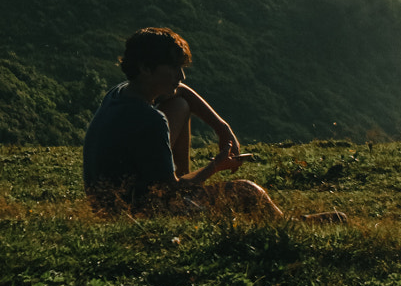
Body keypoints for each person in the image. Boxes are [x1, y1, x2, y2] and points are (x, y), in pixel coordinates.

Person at [82, 26, 282, 216]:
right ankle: (293, 226)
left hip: (106, 203)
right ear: (145, 68)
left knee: (180, 103)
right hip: (136, 211)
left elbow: (182, 92)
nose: (182, 75)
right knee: (248, 191)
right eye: (173, 67)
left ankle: (186, 180)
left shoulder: (120, 93)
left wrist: (223, 129)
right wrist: (215, 166)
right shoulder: (150, 120)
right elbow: (168, 191)